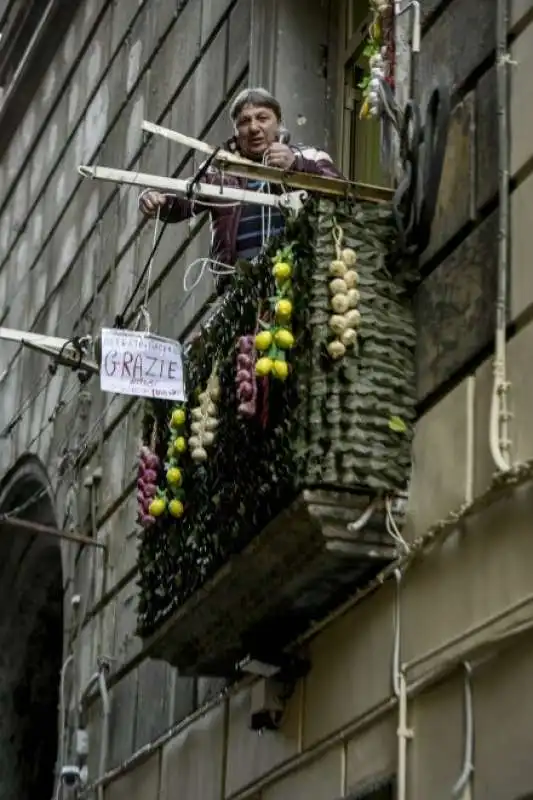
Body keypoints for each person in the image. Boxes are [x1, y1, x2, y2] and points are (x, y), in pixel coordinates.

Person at [138, 87, 344, 290]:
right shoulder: (219, 170)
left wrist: (296, 167)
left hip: (302, 283)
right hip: (240, 291)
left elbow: (342, 195)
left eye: (262, 118)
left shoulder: (310, 156)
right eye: (244, 122)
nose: (254, 128)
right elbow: (183, 202)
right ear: (236, 133)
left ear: (280, 124)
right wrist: (160, 201)